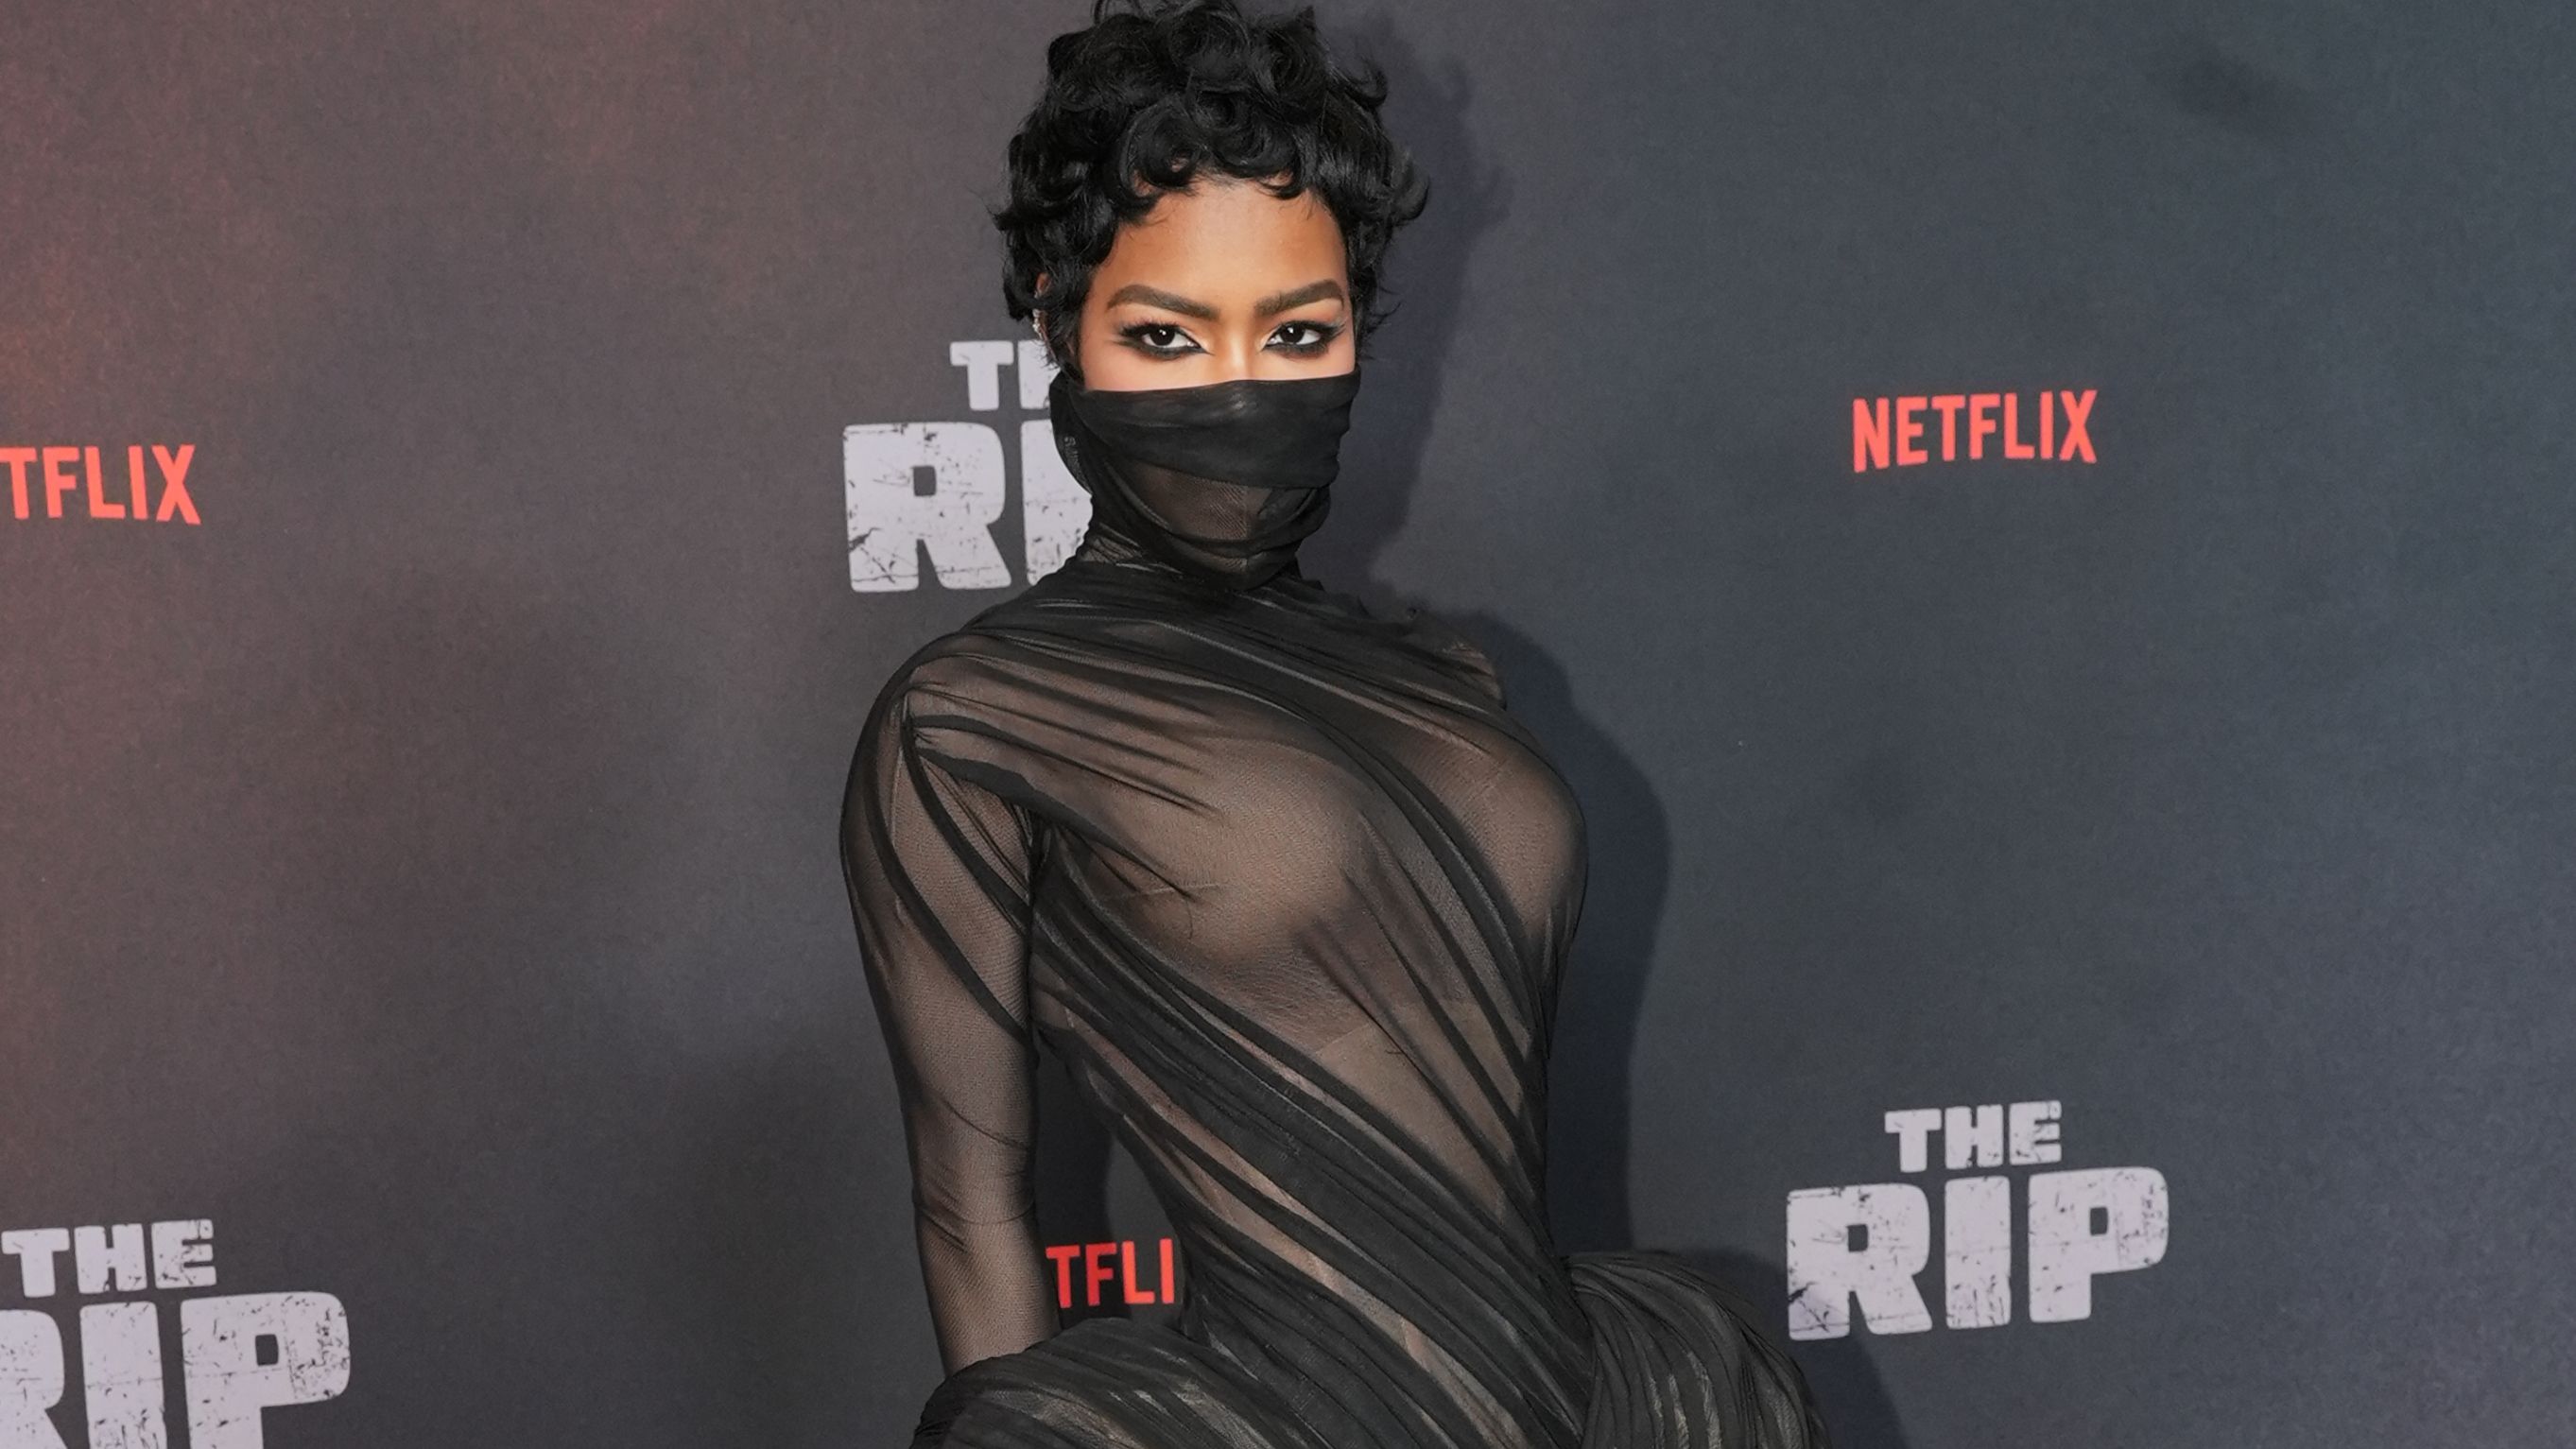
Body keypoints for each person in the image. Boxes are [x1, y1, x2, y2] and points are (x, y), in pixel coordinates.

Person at [839, 2, 1832, 1444]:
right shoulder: (969, 725)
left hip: (1613, 1402)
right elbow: (968, 1204)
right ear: (1059, 318)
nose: (1241, 391)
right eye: (1167, 335)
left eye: (1296, 331)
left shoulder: (1445, 675)